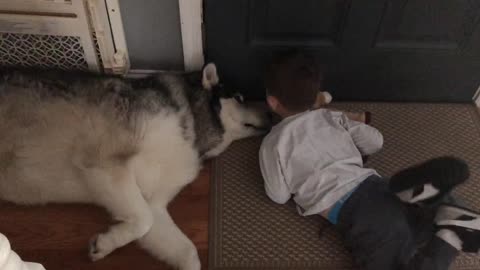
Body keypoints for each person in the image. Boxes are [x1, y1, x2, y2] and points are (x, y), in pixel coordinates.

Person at [259, 50, 480, 270]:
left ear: (272, 101)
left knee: (394, 258)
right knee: (416, 223)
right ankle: (444, 205)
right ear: (316, 94)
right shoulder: (330, 117)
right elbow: (376, 142)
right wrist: (349, 126)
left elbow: (278, 195)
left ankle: (448, 239)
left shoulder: (273, 143)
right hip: (377, 185)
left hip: (356, 213)